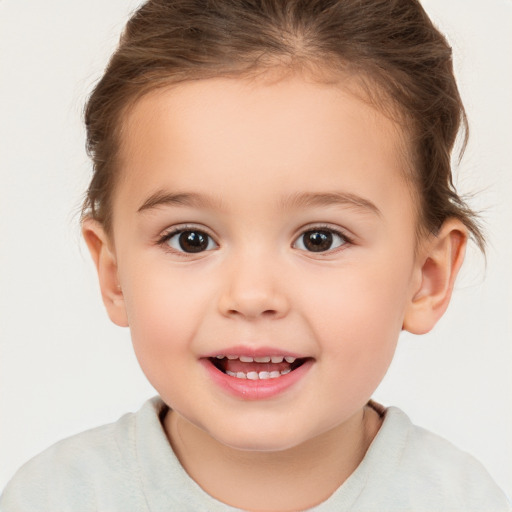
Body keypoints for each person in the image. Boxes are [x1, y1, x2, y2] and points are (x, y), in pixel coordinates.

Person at [1, 0, 510, 510]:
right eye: (190, 239)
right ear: (113, 275)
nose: (251, 295)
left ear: (427, 277)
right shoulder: (53, 497)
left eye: (320, 238)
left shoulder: (461, 500)